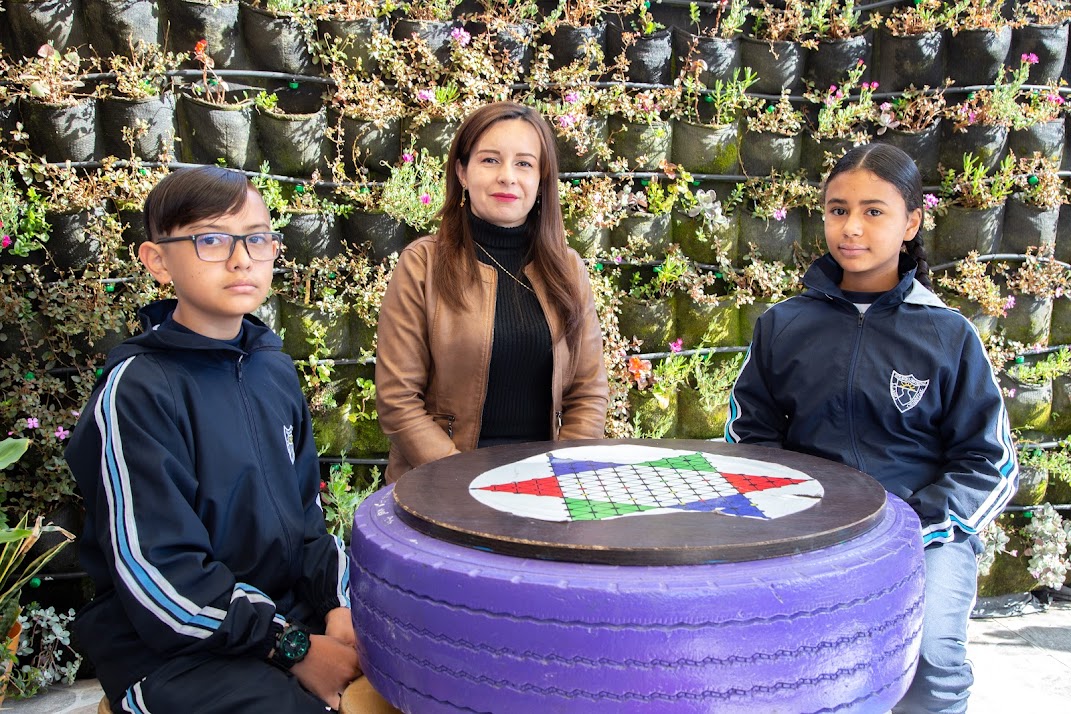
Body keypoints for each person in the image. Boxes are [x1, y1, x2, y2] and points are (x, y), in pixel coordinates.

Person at [64, 167, 379, 713]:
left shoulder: (272, 368)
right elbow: (159, 573)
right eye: (211, 239)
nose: (242, 259)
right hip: (171, 649)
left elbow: (308, 518)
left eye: (257, 238)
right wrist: (293, 646)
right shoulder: (138, 389)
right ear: (158, 261)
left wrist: (336, 606)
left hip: (278, 622)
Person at [723, 144, 1017, 713]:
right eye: (837, 210)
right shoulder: (783, 325)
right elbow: (750, 439)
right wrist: (788, 513)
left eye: (874, 211)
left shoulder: (948, 334)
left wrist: (921, 523)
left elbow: (990, 461)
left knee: (929, 659)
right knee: (789, 662)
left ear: (911, 222)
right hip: (809, 532)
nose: (851, 227)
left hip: (927, 536)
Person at [375, 101, 609, 483]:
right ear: (462, 172)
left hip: (545, 484)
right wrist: (465, 480)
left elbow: (588, 393)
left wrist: (559, 477)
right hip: (441, 482)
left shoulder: (568, 270)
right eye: (489, 160)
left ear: (541, 179)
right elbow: (398, 401)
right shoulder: (423, 265)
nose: (507, 176)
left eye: (524, 163)